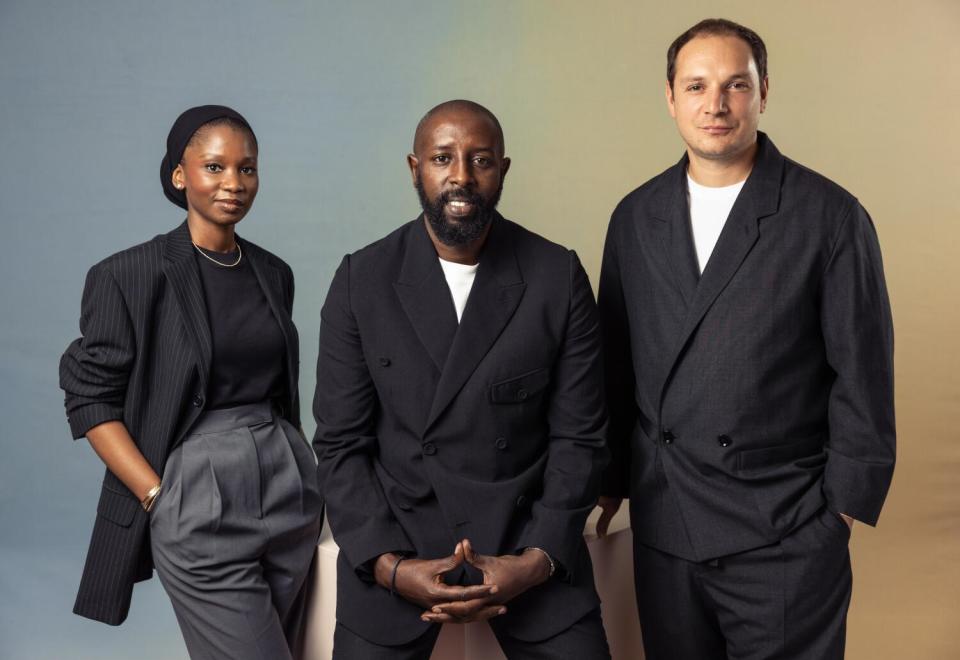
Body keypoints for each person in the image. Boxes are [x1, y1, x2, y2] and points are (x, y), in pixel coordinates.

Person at [595, 19, 895, 659]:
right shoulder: (634, 218)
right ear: (669, 96)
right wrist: (612, 478)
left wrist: (836, 514)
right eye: (697, 85)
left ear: (764, 93)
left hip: (784, 531)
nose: (716, 104)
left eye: (736, 84)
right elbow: (616, 369)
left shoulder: (829, 216)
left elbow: (863, 376)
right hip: (666, 526)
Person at [314, 99, 611, 659]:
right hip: (398, 540)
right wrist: (389, 567)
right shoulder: (362, 280)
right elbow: (340, 444)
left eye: (480, 160)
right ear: (414, 167)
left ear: (503, 169)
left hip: (525, 537)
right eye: (442, 158)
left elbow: (580, 440)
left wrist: (537, 559)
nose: (461, 177)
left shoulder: (555, 275)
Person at [59, 105, 322, 659]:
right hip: (196, 492)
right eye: (215, 167)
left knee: (295, 648)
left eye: (246, 169)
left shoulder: (273, 272)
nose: (234, 183)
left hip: (287, 487)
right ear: (180, 176)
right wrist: (157, 495)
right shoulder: (129, 274)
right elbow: (90, 397)